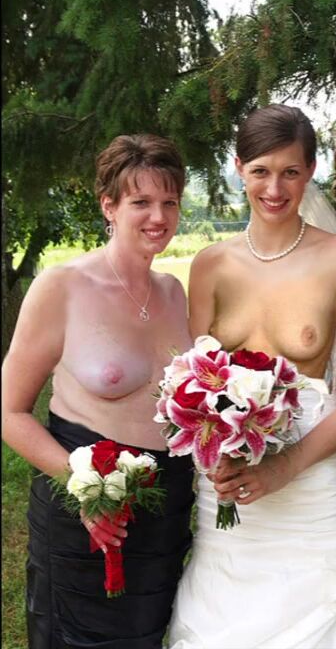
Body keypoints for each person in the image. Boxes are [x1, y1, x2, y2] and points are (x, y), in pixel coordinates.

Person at [167, 104, 336, 648]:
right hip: (231, 489)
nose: (275, 188)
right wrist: (219, 452)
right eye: (261, 171)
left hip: (316, 486)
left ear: (310, 171)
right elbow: (192, 379)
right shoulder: (210, 265)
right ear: (239, 167)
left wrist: (285, 465)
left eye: (290, 171)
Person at [1, 134, 195, 649]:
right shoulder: (61, 287)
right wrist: (84, 486)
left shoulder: (175, 293)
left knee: (148, 635)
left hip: (165, 510)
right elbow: (9, 412)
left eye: (170, 202)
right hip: (85, 512)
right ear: (108, 205)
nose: (159, 216)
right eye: (141, 202)